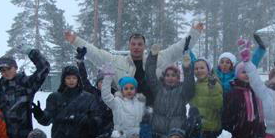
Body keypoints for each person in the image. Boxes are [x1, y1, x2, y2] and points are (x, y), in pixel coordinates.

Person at [64, 23, 204, 106]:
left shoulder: (158, 58)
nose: (136, 47)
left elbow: (178, 48)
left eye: (139, 44)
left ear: (144, 46)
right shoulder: (117, 61)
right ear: (129, 45)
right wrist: (76, 40)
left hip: (153, 111)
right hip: (127, 111)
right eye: (133, 44)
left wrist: (195, 32)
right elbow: (96, 53)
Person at [32, 63, 102, 138]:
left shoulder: (88, 98)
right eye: (68, 78)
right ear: (63, 79)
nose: (71, 81)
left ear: (78, 79)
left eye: (74, 78)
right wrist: (40, 114)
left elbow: (96, 119)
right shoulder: (54, 97)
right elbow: (47, 119)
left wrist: (86, 120)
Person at [146, 45, 195, 138]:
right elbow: (150, 75)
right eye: (167, 75)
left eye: (173, 75)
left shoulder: (182, 90)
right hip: (157, 135)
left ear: (178, 78)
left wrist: (187, 68)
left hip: (176, 136)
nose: (170, 78)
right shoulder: (158, 89)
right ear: (164, 77)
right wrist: (153, 57)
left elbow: (190, 85)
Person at [101, 64, 146, 138]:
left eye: (131, 88)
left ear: (135, 90)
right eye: (126, 88)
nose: (129, 91)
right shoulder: (116, 102)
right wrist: (108, 77)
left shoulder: (141, 103)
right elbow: (105, 96)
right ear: (121, 90)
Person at [75, 47, 114, 136]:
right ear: (97, 83)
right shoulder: (92, 92)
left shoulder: (114, 95)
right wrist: (80, 62)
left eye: (105, 81)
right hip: (94, 131)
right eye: (101, 82)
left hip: (110, 133)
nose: (103, 84)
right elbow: (83, 79)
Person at [190, 59, 223, 138]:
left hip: (211, 130)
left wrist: (213, 88)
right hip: (196, 128)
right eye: (196, 68)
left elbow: (218, 105)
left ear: (208, 69)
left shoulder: (214, 84)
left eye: (202, 68)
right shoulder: (194, 85)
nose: (199, 70)